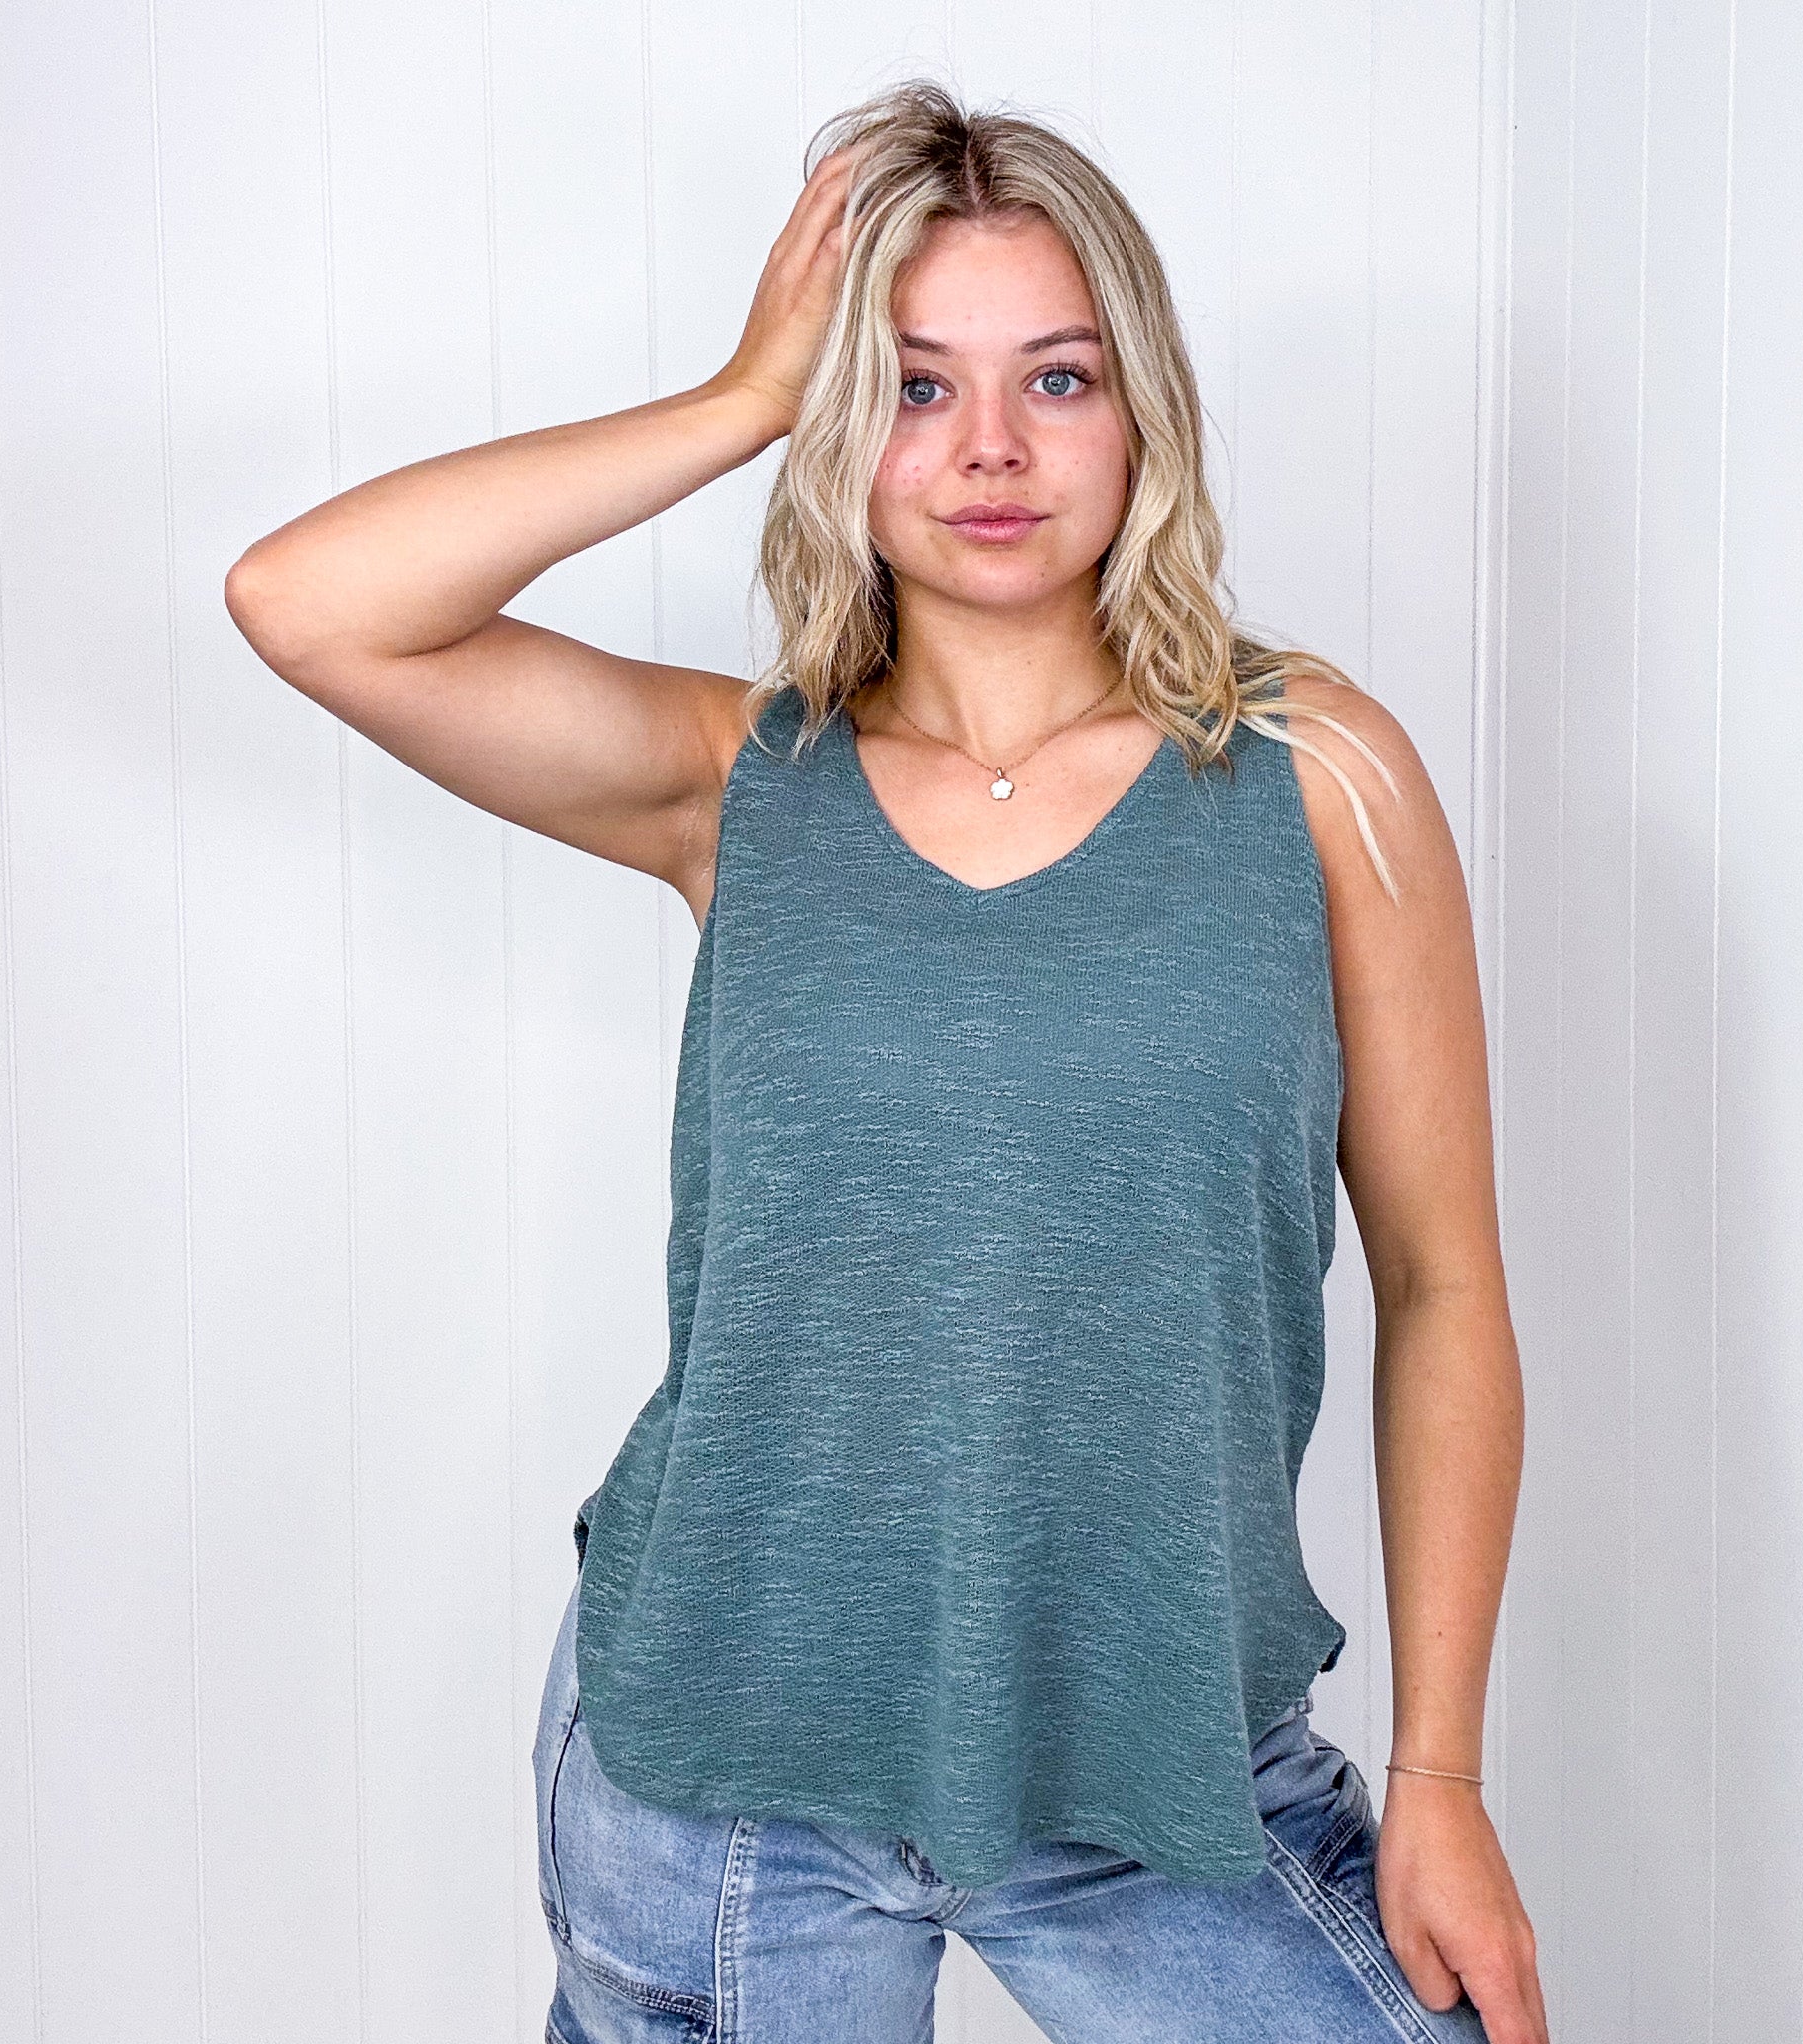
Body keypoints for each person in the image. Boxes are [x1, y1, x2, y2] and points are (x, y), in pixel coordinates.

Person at [226, 76, 1545, 2044]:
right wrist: (748, 393)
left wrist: (1438, 1774)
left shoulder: (1316, 774)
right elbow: (308, 605)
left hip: (1160, 1760)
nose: (989, 447)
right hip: (727, 1774)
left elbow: (1442, 1283)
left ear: (1143, 410)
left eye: (1056, 379)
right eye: (914, 387)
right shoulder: (736, 779)